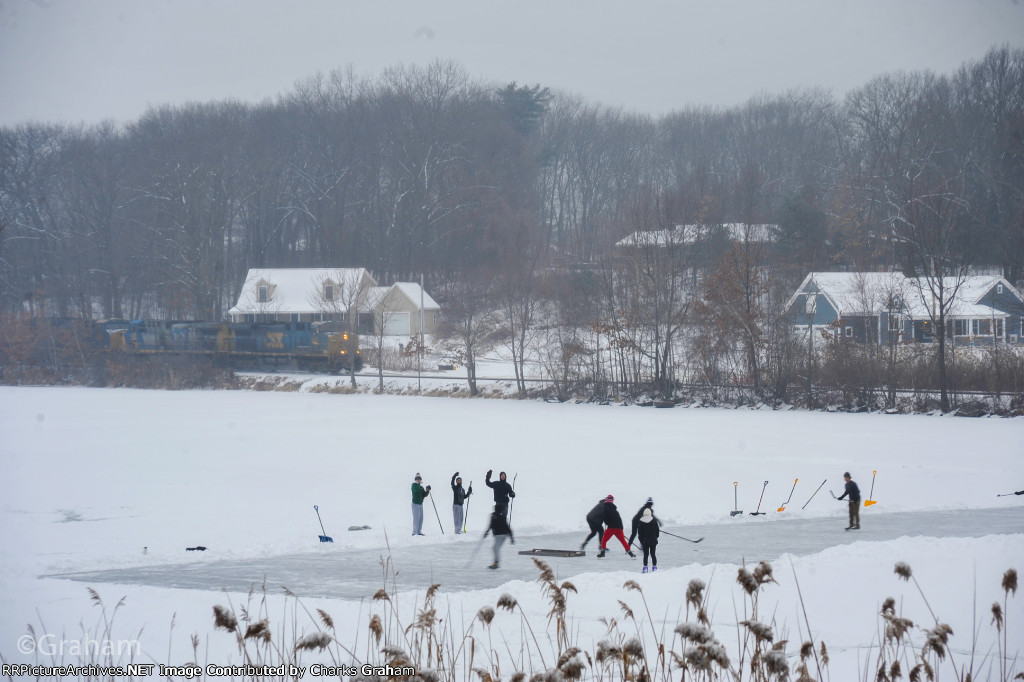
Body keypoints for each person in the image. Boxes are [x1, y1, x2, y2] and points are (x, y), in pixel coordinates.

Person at [483, 505, 514, 569]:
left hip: (499, 535)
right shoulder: (502, 517)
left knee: (495, 548)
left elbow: (491, 525)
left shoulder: (494, 516)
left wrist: (486, 532)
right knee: (495, 548)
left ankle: (496, 563)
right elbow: (508, 528)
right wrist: (511, 537)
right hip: (503, 535)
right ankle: (496, 562)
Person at [636, 507, 660, 573]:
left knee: (646, 555)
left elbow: (640, 533)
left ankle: (645, 568)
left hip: (645, 541)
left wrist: (642, 541)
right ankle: (654, 567)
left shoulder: (641, 522)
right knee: (653, 554)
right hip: (653, 541)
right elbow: (657, 532)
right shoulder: (654, 521)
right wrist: (655, 537)